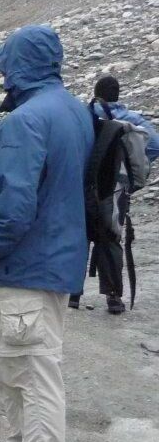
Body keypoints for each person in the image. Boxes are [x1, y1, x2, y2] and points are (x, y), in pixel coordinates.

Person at [0, 26, 93, 442]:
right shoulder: (73, 110)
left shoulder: (25, 120)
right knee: (20, 371)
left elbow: (14, 206)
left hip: (24, 265)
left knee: (31, 375)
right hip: (53, 258)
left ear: (19, 65)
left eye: (6, 65)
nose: (2, 73)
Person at [72, 75, 159, 314]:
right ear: (118, 94)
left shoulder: (83, 116)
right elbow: (154, 145)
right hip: (114, 188)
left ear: (96, 92)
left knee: (79, 236)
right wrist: (130, 174)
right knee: (110, 238)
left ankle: (72, 294)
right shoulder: (130, 120)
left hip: (82, 185)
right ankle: (113, 297)